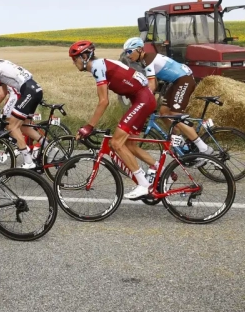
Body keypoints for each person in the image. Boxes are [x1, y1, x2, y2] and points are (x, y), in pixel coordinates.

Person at [69, 40, 158, 200]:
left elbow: (104, 101)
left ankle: (144, 185)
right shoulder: (102, 64)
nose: (73, 63)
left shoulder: (97, 67)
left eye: (74, 59)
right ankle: (160, 170)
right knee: (129, 145)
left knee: (116, 143)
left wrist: (89, 126)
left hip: (142, 99)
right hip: (142, 98)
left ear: (84, 56)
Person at [122, 37, 214, 161]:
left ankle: (203, 148)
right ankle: (181, 142)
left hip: (183, 79)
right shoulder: (146, 59)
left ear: (139, 50)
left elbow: (152, 85)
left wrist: (143, 101)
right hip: (176, 81)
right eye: (126, 52)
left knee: (175, 114)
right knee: (164, 113)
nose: (127, 55)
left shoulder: (148, 59)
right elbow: (153, 83)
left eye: (129, 52)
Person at [0, 42, 44, 169]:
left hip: (28, 91)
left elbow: (0, 94)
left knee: (12, 126)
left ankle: (29, 162)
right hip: (35, 90)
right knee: (24, 127)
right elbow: (4, 92)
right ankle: (50, 148)